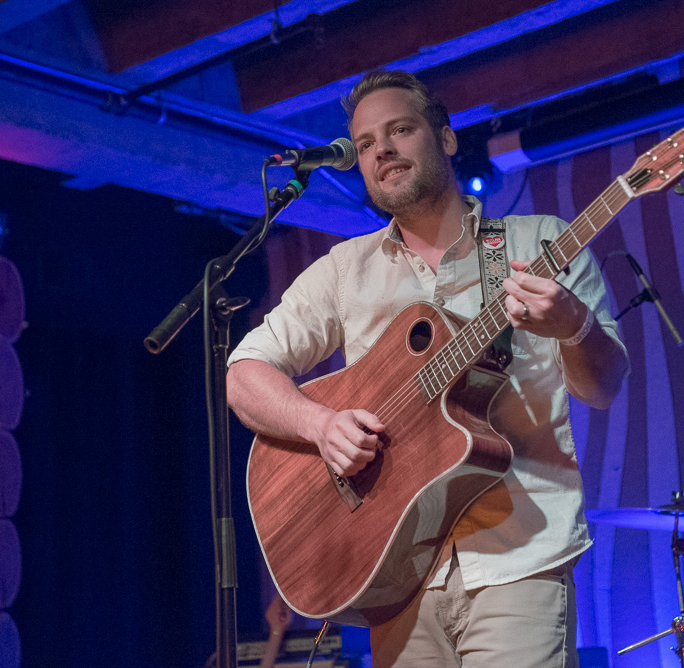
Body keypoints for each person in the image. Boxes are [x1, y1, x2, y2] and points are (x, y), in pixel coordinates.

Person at [227, 70, 629, 667]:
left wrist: (571, 322)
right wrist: (320, 426)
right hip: (394, 573)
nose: (381, 149)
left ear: (444, 137)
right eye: (365, 144)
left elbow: (603, 387)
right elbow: (244, 374)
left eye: (400, 129)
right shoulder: (345, 270)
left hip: (518, 558)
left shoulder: (539, 242)